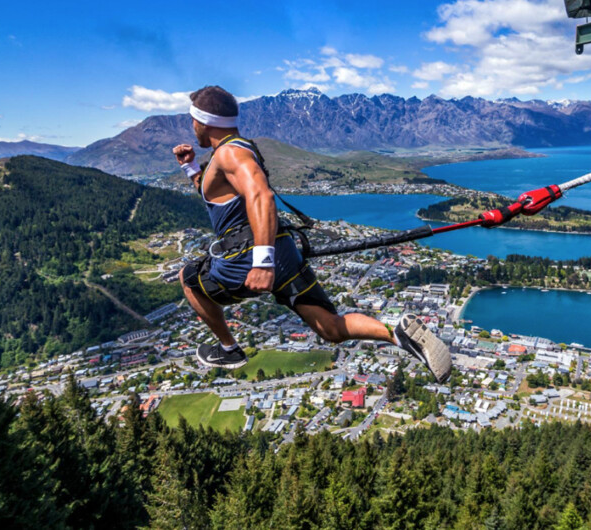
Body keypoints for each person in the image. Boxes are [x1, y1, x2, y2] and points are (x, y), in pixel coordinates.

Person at [173, 86, 451, 382]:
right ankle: (397, 335)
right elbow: (220, 197)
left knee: (188, 277)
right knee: (329, 328)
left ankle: (229, 348)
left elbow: (261, 197)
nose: (192, 128)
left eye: (192, 120)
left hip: (246, 258)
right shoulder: (239, 151)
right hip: (285, 253)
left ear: (203, 121)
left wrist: (261, 262)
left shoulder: (229, 153)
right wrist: (191, 168)